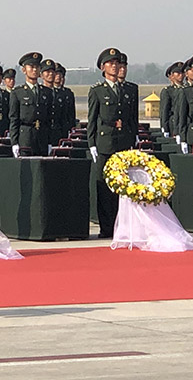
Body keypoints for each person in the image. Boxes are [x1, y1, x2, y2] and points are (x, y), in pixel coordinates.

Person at [87, 48, 137, 238]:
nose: (115, 66)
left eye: (117, 63)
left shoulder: (128, 90)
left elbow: (132, 118)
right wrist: (92, 143)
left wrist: (133, 137)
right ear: (102, 67)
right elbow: (92, 119)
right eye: (110, 63)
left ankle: (122, 226)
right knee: (105, 186)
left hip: (123, 141)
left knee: (123, 186)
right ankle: (106, 227)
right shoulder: (97, 91)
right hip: (105, 142)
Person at [9, 52, 52, 156]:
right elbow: (14, 119)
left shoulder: (46, 92)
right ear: (24, 70)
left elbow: (49, 119)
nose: (34, 70)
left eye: (37, 67)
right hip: (26, 136)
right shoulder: (17, 92)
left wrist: (50, 141)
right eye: (31, 67)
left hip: (42, 137)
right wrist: (14, 142)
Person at [160, 61, 185, 138]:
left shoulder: (187, 89)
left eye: (182, 72)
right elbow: (164, 111)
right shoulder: (168, 91)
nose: (180, 75)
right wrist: (165, 128)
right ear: (172, 75)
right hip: (173, 124)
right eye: (177, 73)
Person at [54, 63, 76, 140]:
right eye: (56, 73)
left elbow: (71, 114)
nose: (58, 76)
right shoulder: (47, 92)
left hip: (64, 128)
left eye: (60, 74)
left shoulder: (68, 93)